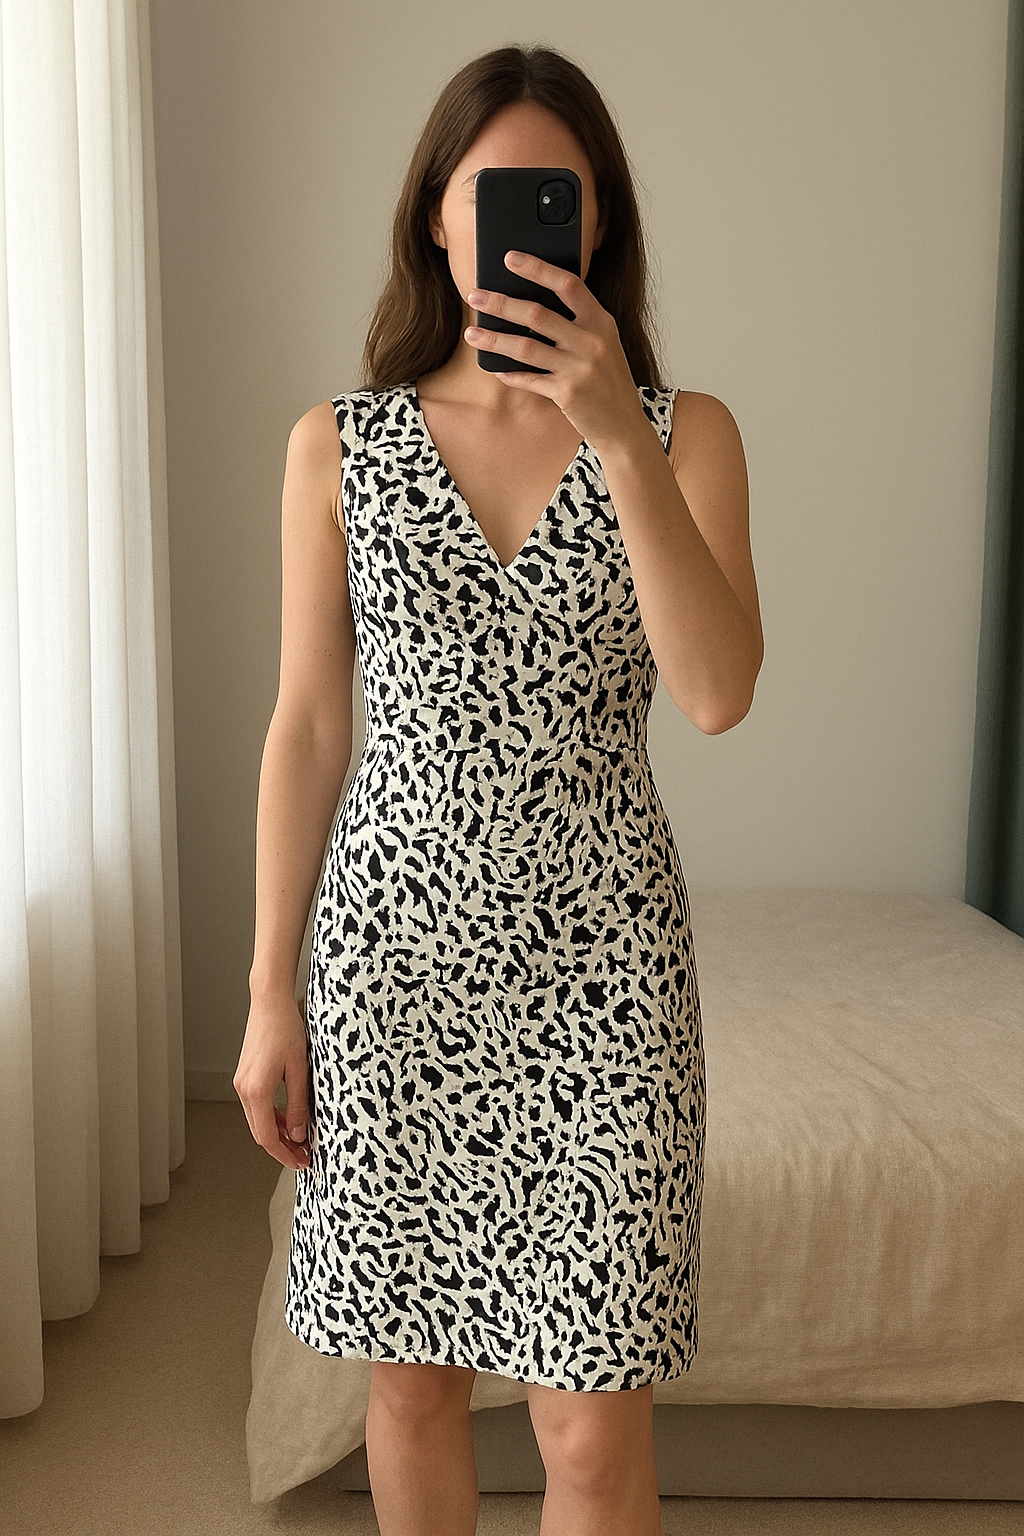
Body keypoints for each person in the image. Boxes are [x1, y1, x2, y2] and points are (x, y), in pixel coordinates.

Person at [234, 41, 763, 1536]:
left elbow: (718, 692)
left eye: (559, 199)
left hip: (607, 983)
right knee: (408, 1395)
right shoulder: (338, 449)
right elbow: (308, 730)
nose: (526, 226)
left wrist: (617, 434)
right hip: (392, 973)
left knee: (590, 1432)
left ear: (596, 227)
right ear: (437, 217)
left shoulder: (687, 436)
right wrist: (270, 993)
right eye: (491, 194)